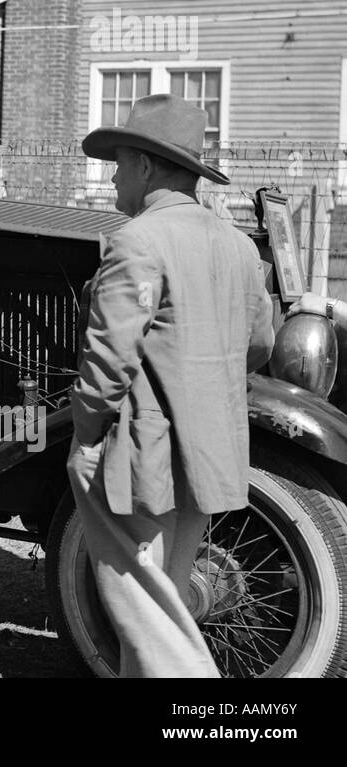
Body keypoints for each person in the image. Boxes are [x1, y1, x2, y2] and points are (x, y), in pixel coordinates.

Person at [72, 94, 274, 677]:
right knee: (159, 605)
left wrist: (85, 439)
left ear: (144, 165)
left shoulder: (137, 240)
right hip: (208, 452)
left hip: (138, 457)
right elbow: (258, 344)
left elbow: (109, 362)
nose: (112, 175)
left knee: (146, 611)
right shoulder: (238, 245)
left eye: (118, 162)